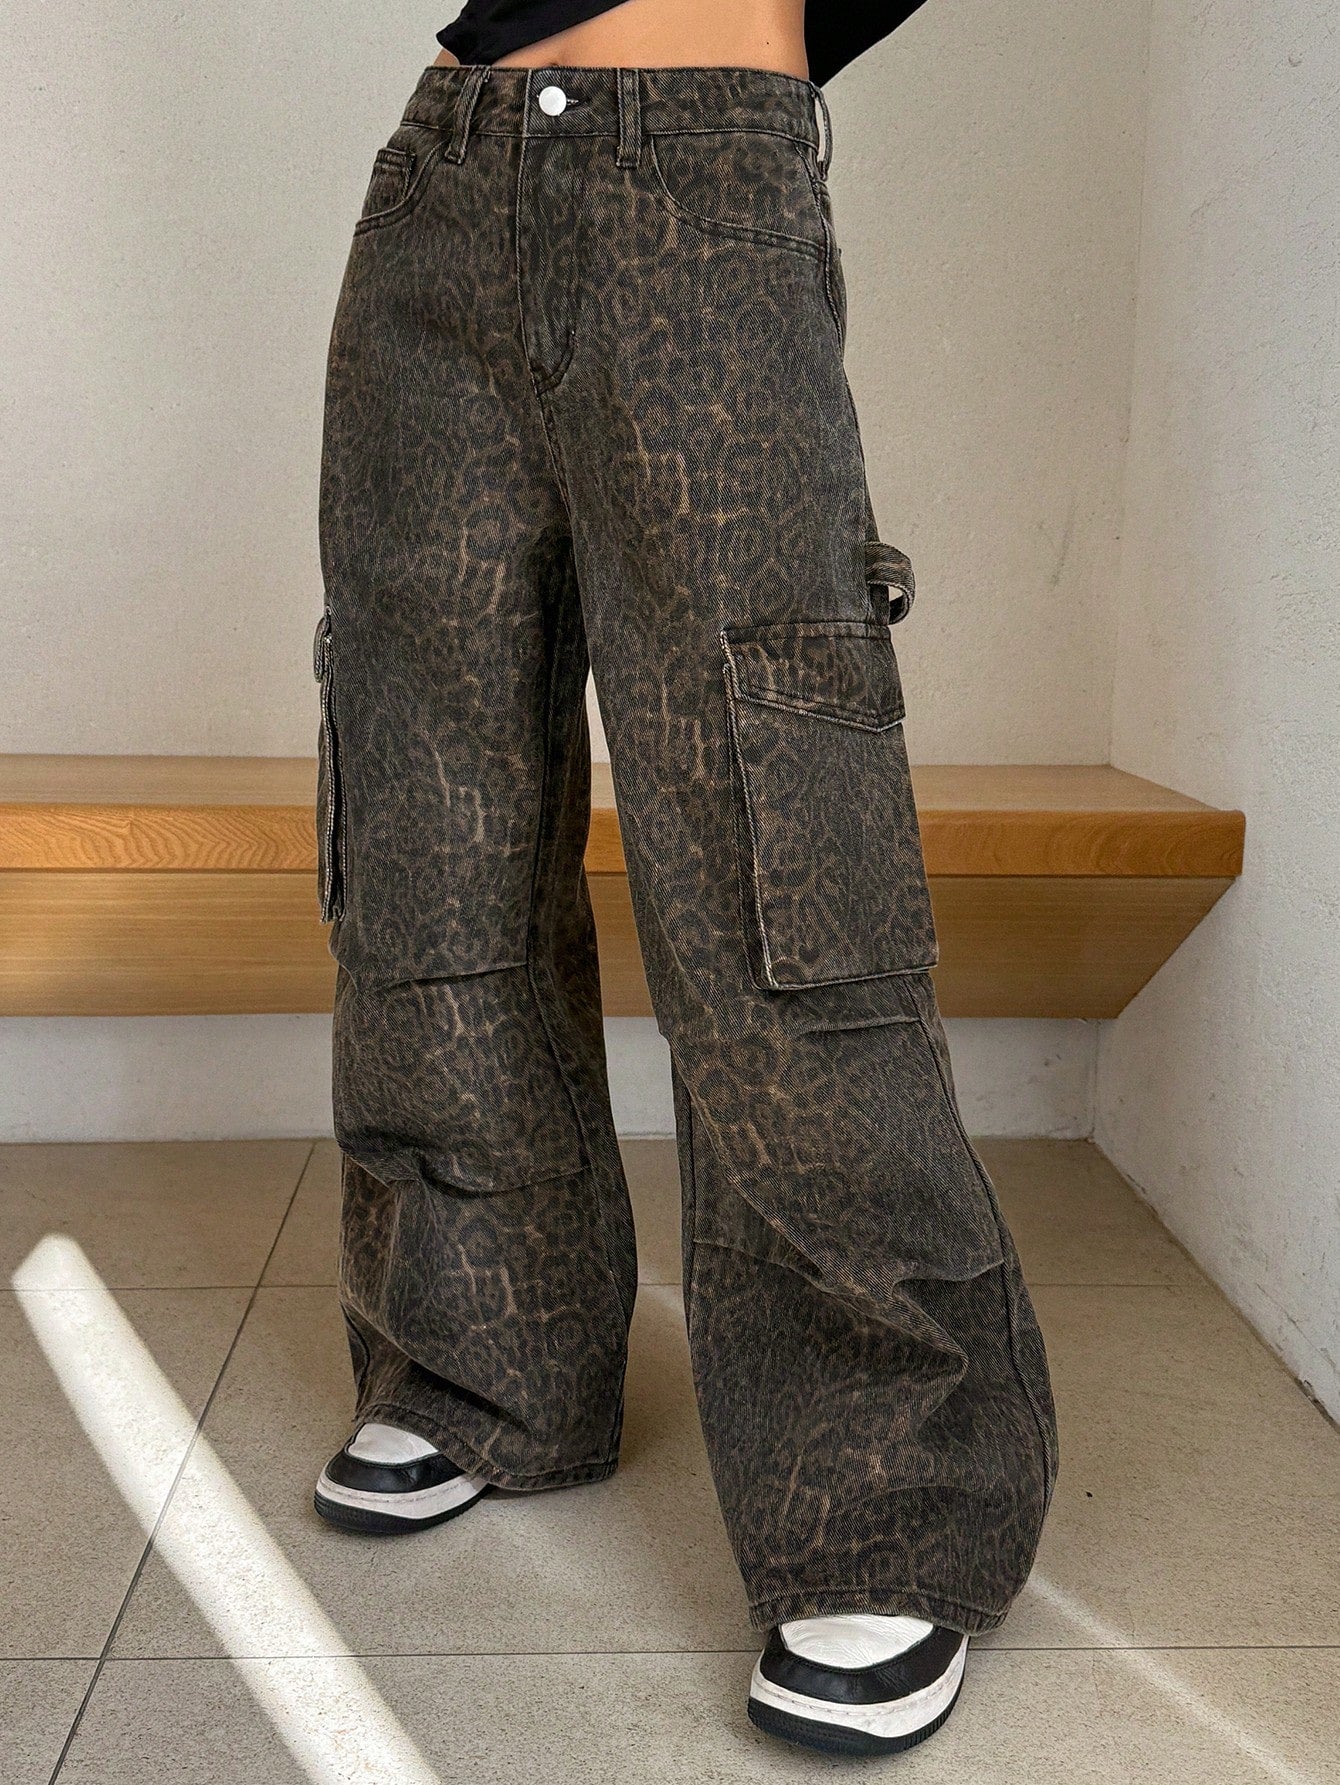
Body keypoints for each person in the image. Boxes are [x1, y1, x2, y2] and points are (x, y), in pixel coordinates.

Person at [310, 0, 1058, 1757]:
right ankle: (485, 1361)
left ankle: (884, 1487)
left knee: (770, 832)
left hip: (703, 186)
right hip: (441, 180)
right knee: (430, 803)